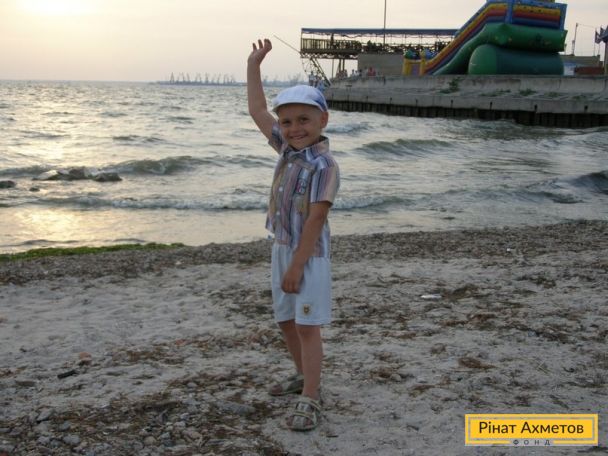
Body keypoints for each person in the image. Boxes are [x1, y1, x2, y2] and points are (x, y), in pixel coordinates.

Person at [247, 38, 340, 432]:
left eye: (304, 120)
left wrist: (298, 266)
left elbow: (316, 219)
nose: (294, 128)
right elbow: (257, 110)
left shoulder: (324, 165)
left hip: (309, 255)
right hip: (283, 247)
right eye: (286, 122)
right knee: (285, 320)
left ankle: (313, 396)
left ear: (322, 120)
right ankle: (304, 377)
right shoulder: (286, 150)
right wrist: (254, 65)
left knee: (306, 325)